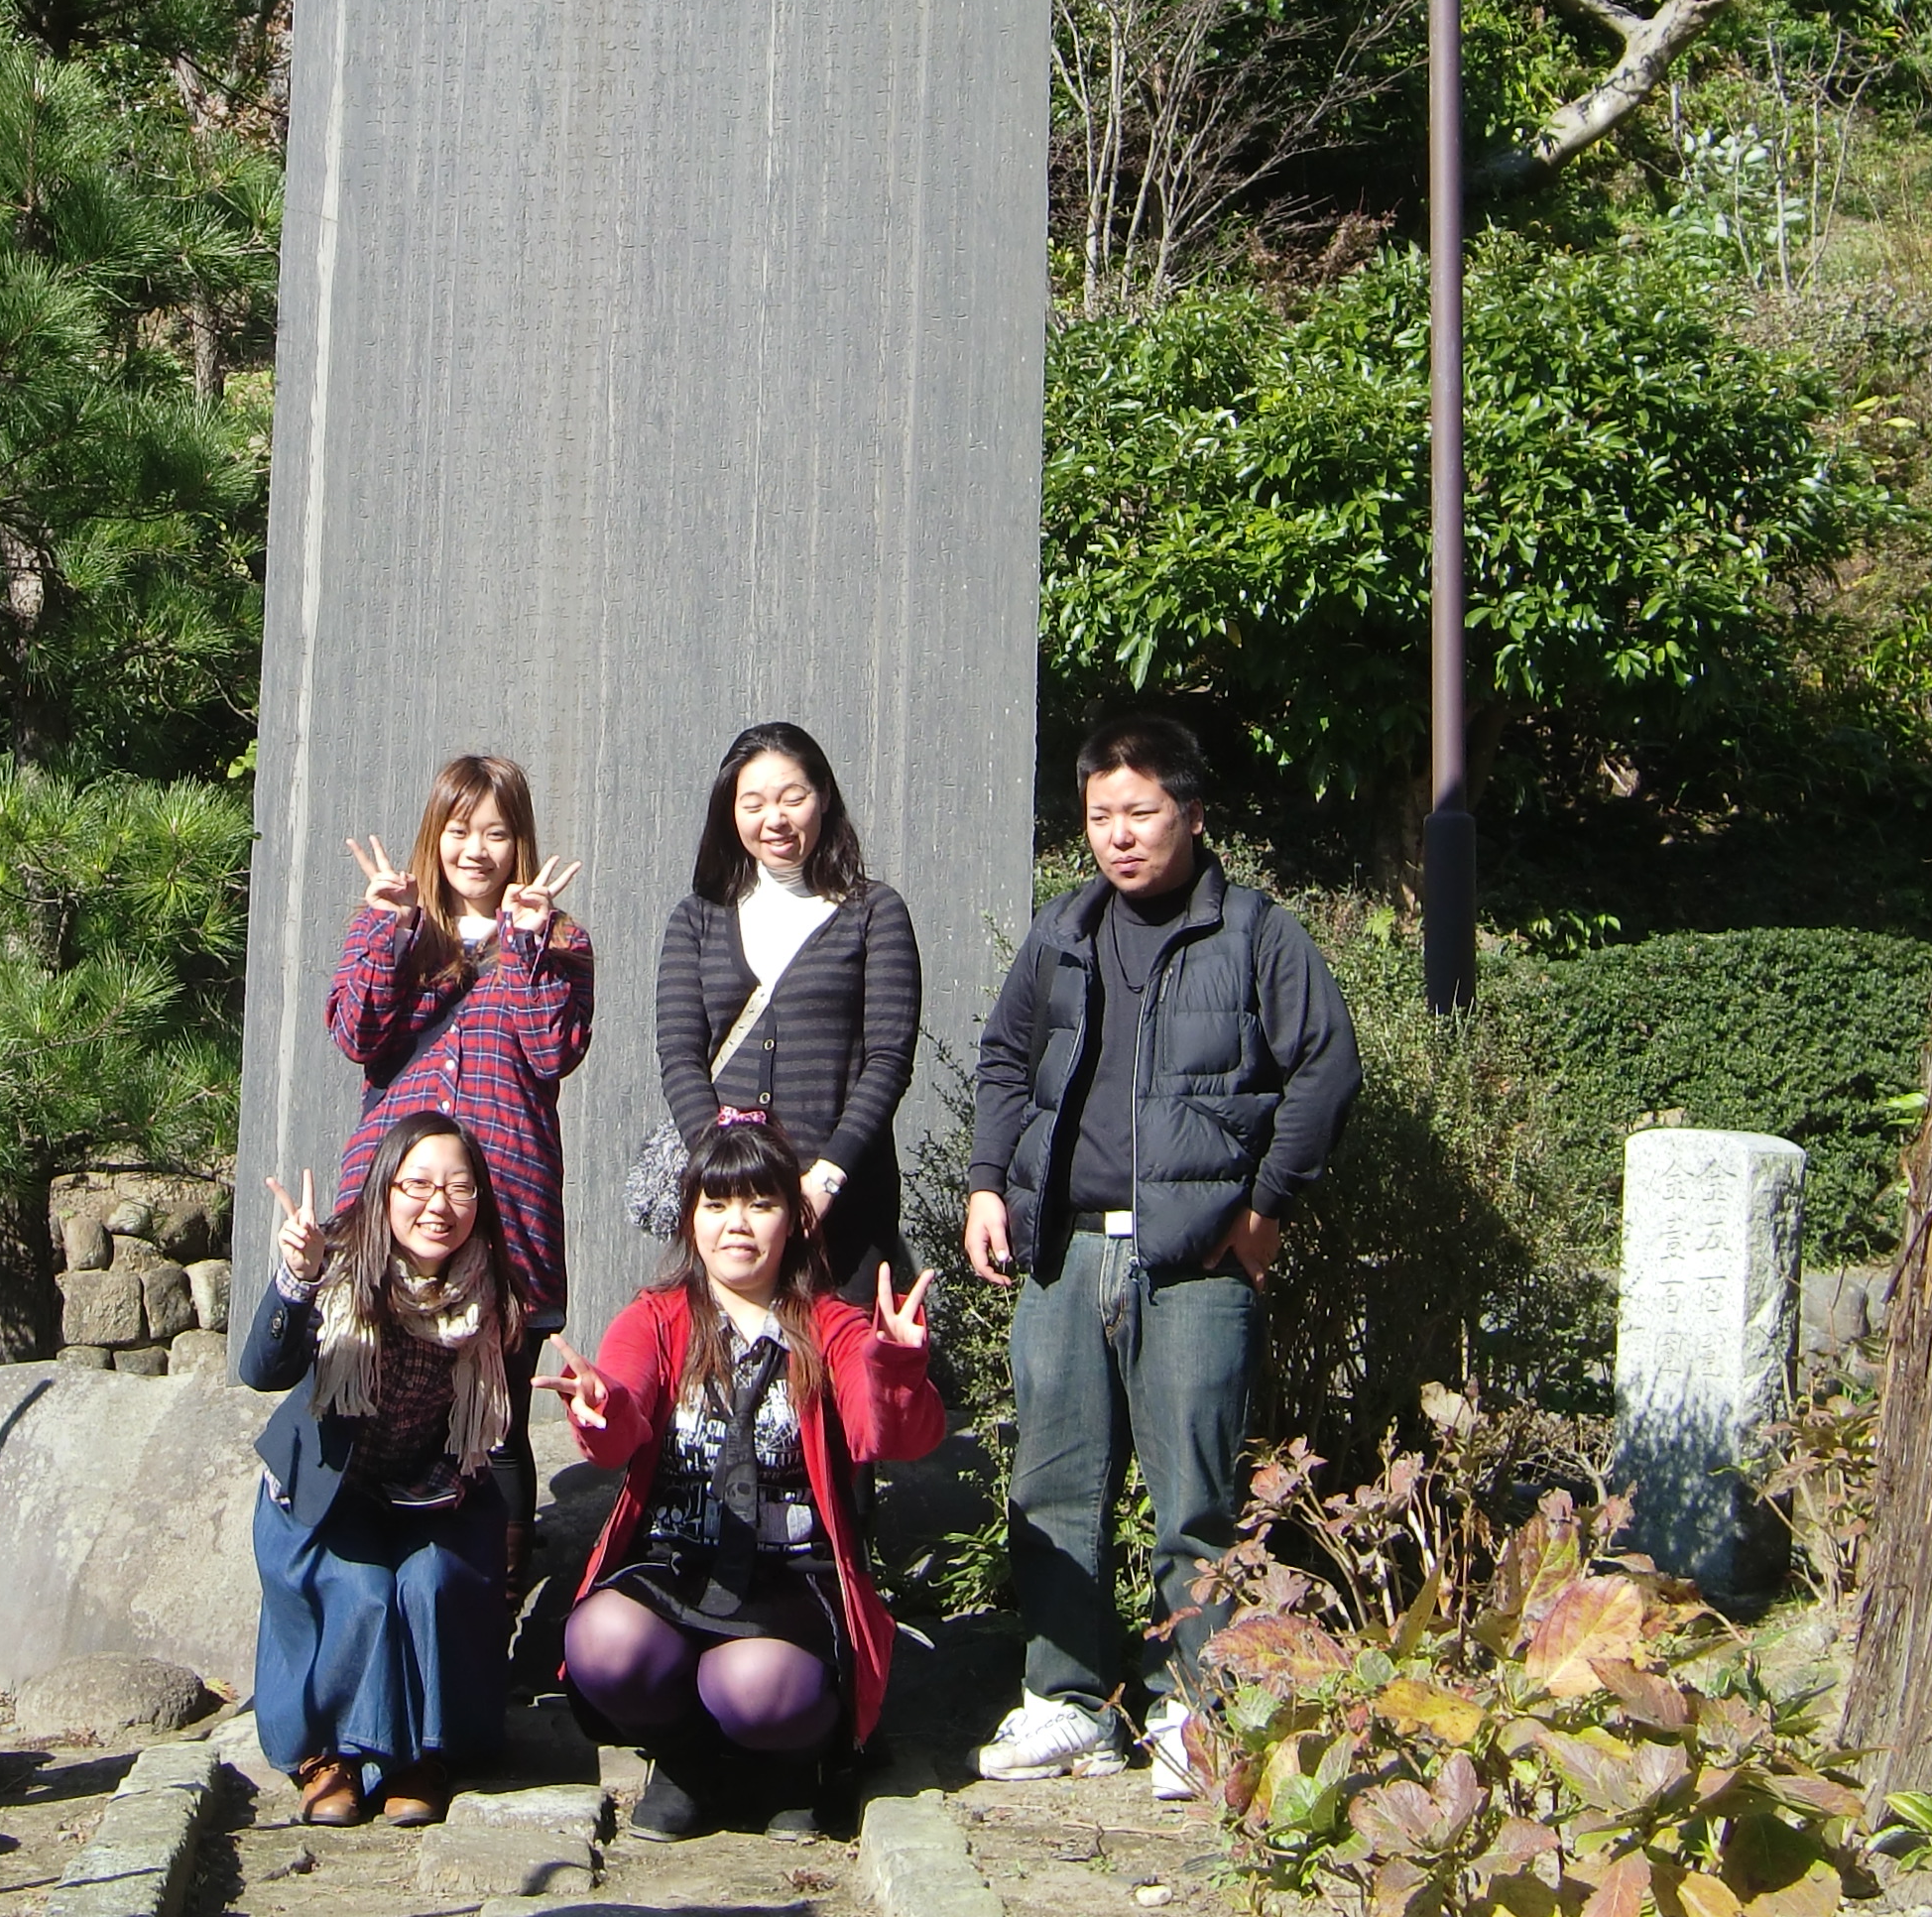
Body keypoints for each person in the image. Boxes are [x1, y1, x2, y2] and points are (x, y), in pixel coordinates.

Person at [960, 712, 1360, 1799]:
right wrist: (989, 1183)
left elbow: (1325, 1067)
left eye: (1141, 813)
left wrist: (1267, 1205)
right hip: (1067, 1250)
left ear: (1191, 813)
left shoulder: (1257, 935)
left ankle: (1197, 1707)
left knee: (1196, 1492)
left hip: (1194, 1261)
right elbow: (1004, 1057)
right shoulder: (1064, 932)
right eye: (1101, 817)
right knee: (1054, 1489)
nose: (1120, 836)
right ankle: (1067, 1704)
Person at [542, 1116, 945, 1839]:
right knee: (600, 1640)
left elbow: (892, 1433)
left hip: (790, 1575)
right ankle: (690, 1762)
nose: (738, 1224)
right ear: (690, 1216)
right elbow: (622, 1416)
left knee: (753, 1686)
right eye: (717, 1204)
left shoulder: (832, 1324)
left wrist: (897, 1366)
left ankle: (798, 1765)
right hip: (675, 1563)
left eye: (761, 1204)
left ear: (793, 1220)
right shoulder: (658, 1318)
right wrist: (601, 1412)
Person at [329, 753, 590, 1545]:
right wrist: (386, 930)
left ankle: (494, 1615)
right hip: (399, 1204)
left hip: (505, 1207)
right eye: (459, 829)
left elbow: (552, 1052)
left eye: (497, 833)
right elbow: (356, 1034)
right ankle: (368, 1581)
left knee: (496, 1421)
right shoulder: (395, 922)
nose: (476, 850)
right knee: (373, 1406)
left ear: (520, 843)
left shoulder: (559, 935)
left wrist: (531, 944)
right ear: (434, 834)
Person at [243, 1112, 522, 1828]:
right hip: (325, 1493)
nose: (438, 1206)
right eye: (418, 1185)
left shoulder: (490, 1290)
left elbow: (492, 1429)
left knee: (431, 1584)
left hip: (427, 1494)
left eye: (460, 1189)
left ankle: (425, 1755)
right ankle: (324, 1755)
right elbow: (260, 1371)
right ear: (384, 1189)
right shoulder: (338, 1262)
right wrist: (295, 1280)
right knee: (360, 1589)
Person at [654, 721, 920, 1302]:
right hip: (733, 1217)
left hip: (845, 1209)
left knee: (844, 1373)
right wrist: (733, 1178)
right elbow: (679, 1056)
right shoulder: (697, 919)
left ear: (822, 795)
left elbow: (889, 1060)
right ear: (731, 812)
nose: (774, 818)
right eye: (753, 803)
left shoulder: (873, 912)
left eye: (791, 798)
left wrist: (824, 1180)